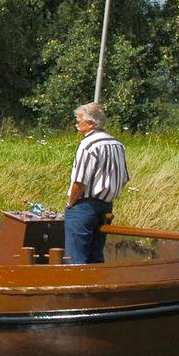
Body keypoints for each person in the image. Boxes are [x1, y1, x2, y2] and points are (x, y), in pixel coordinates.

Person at [64, 102, 129, 264]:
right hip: (106, 206)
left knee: (76, 258)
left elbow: (80, 182)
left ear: (90, 123)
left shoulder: (88, 145)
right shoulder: (117, 144)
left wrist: (70, 203)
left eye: (79, 121)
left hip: (84, 206)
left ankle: (77, 280)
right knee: (96, 256)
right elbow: (124, 178)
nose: (77, 125)